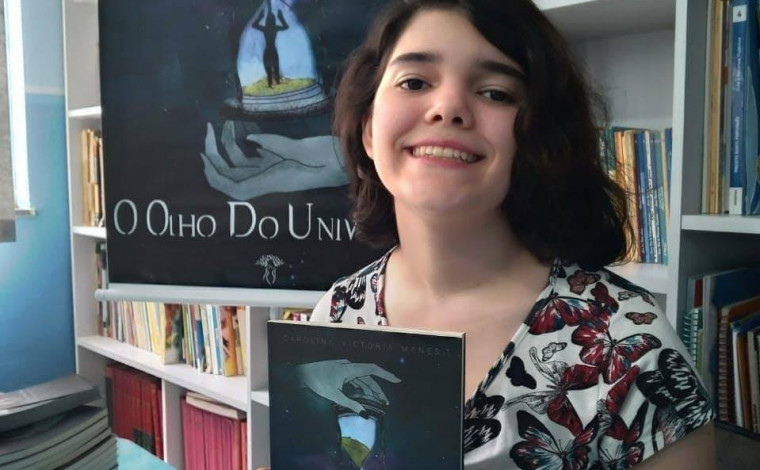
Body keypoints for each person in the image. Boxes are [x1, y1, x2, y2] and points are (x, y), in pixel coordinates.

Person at [262, 0, 716, 468]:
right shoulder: (337, 313)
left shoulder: (631, 348)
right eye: (414, 82)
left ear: (536, 137)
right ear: (369, 131)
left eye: (496, 92)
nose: (448, 108)